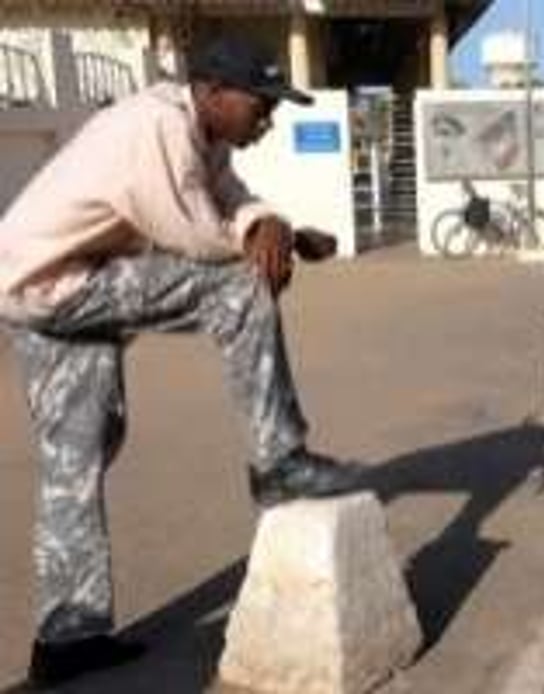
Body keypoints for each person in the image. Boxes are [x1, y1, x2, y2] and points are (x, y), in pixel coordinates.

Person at [0, 36, 361, 687]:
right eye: (261, 104)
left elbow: (229, 199)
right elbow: (192, 235)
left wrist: (270, 222)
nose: (268, 119)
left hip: (33, 288)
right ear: (216, 92)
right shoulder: (157, 127)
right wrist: (266, 237)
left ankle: (67, 636)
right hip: (57, 283)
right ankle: (278, 460)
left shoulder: (204, 134)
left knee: (75, 459)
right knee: (243, 285)